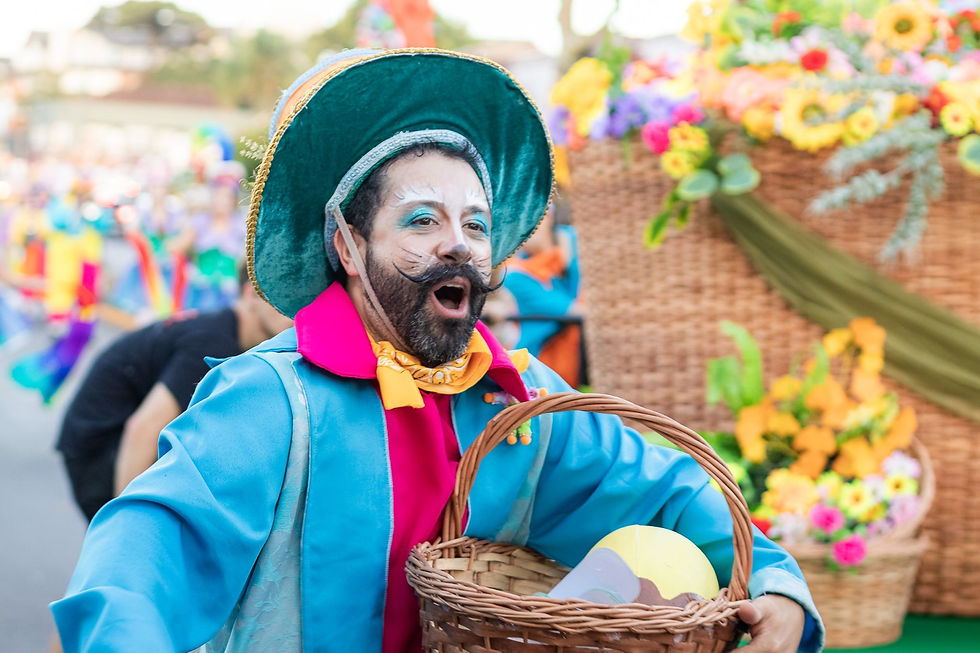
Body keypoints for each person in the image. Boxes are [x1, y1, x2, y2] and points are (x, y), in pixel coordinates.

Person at [51, 50, 824, 652]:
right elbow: (143, 554)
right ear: (350, 244)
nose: (459, 241)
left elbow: (670, 499)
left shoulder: (526, 405)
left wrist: (784, 587)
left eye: (478, 225)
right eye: (422, 219)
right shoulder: (270, 402)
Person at [55, 267, 293, 522]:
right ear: (250, 294)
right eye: (284, 299)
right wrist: (129, 528)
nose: (295, 313)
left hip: (105, 432)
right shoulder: (212, 342)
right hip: (100, 444)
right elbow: (143, 430)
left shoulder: (226, 330)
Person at [503, 204, 583, 386]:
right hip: (537, 377)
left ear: (547, 218)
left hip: (574, 369)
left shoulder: (561, 257)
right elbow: (578, 311)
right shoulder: (515, 275)